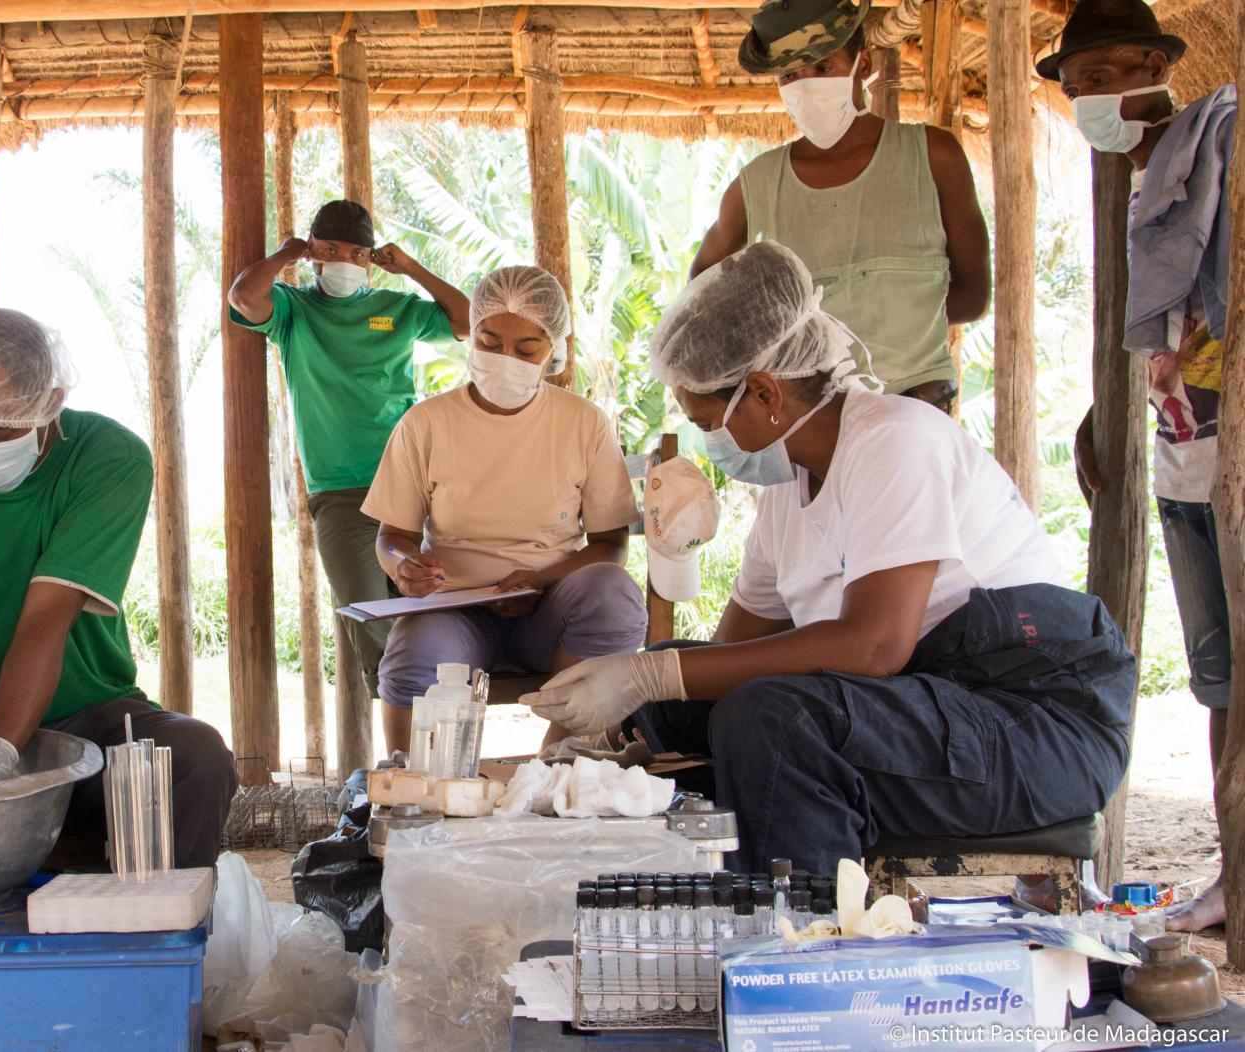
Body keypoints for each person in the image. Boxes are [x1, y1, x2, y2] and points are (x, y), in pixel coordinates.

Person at [524, 242, 1137, 875]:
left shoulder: (895, 439)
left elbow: (875, 647)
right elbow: (721, 662)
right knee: (679, 690)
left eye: (707, 420)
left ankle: (803, 937)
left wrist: (651, 679)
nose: (713, 444)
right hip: (928, 705)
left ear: (764, 393)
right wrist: (621, 715)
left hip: (1037, 719)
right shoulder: (788, 492)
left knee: (773, 723)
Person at [0, 307, 236, 868]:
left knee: (197, 758)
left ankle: (160, 937)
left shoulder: (108, 457)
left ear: (48, 403)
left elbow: (44, 620)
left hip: (92, 722)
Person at [1042, 0, 1236, 932]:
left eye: (1118, 73)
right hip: (1183, 465)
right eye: (1082, 86)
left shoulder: (1218, 150)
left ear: (1161, 65)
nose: (1099, 97)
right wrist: (1108, 416)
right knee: (1219, 685)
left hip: (1230, 465)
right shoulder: (1148, 180)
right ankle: (1234, 873)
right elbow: (1172, 334)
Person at [362, 266, 646, 755]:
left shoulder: (584, 424)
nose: (505, 360)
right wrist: (401, 566)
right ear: (471, 335)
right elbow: (393, 534)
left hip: (552, 610)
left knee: (613, 597)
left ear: (553, 350)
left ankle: (559, 764)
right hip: (456, 611)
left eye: (526, 350)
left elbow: (609, 544)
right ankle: (417, 788)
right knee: (413, 653)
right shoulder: (425, 424)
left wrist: (544, 581)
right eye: (489, 343)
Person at [228, 199, 470, 707]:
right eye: (331, 248)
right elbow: (245, 298)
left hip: (412, 487)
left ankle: (442, 745)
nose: (344, 260)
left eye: (357, 252)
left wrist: (411, 269)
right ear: (313, 250)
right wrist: (284, 254)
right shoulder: (294, 310)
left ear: (369, 258)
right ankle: (400, 752)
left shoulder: (397, 309)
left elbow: (468, 322)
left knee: (434, 614)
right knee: (369, 618)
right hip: (339, 495)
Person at [690, 0, 990, 409]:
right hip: (813, 425)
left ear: (862, 64)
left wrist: (899, 321)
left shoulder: (933, 157)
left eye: (822, 67)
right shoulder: (757, 185)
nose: (805, 84)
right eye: (790, 74)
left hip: (917, 407)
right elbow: (702, 295)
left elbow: (973, 296)